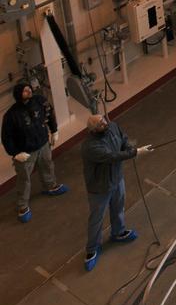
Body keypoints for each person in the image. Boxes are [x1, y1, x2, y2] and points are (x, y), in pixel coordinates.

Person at [81, 113, 153, 271]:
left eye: (103, 120)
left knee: (118, 206)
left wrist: (129, 148)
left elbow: (123, 139)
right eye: (100, 124)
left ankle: (118, 232)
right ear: (93, 130)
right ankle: (92, 249)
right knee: (97, 218)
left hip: (116, 179)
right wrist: (135, 152)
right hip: (99, 188)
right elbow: (112, 156)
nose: (104, 123)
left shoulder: (112, 127)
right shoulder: (90, 146)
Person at [1, 81, 68, 223]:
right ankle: (22, 206)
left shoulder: (40, 101)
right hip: (25, 152)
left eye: (29, 89)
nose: (29, 92)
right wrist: (15, 153)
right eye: (25, 91)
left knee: (47, 165)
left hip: (43, 144)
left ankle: (50, 186)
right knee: (24, 178)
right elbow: (6, 137)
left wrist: (54, 130)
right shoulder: (11, 115)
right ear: (19, 94)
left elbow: (49, 114)